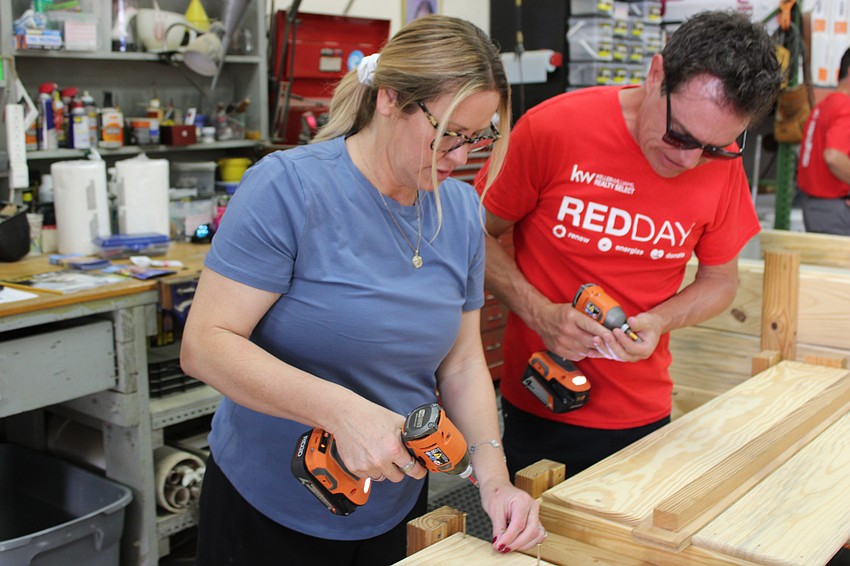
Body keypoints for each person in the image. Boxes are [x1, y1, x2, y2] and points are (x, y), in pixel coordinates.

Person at [180, 15, 544, 566]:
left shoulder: (462, 211)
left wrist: (494, 479)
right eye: (446, 134)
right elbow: (205, 344)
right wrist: (343, 413)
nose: (460, 158)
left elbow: (463, 362)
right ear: (391, 100)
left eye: (478, 137)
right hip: (270, 506)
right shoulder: (287, 188)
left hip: (395, 504)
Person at [475, 10, 782, 480]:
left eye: (714, 147)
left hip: (643, 416)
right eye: (679, 135)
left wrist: (660, 319)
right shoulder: (554, 129)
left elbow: (720, 280)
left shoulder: (721, 166)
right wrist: (539, 313)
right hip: (541, 402)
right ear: (655, 74)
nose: (688, 159)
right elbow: (474, 234)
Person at [797, 47, 850, 235]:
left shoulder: (824, 106)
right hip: (833, 211)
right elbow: (833, 156)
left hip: (816, 207)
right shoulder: (845, 106)